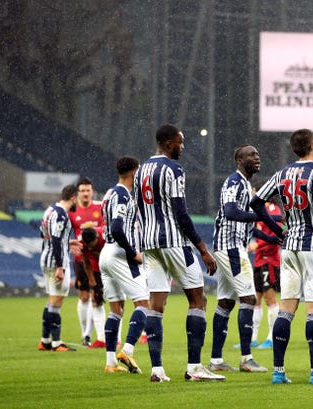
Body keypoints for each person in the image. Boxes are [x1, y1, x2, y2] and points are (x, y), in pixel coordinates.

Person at [250, 128, 313, 385]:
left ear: (293, 149)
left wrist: (278, 229)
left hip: (288, 247)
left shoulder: (282, 173)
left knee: (286, 309)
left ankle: (278, 371)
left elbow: (256, 202)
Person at [135, 123, 224, 382]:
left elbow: (140, 207)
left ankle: (157, 370)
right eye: (180, 142)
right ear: (168, 143)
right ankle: (195, 367)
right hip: (173, 241)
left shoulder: (141, 170)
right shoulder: (173, 169)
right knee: (198, 299)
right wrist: (203, 249)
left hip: (149, 242)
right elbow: (181, 213)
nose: (182, 146)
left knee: (156, 304)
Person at [210, 145, 277, 373]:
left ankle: (216, 360)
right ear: (239, 160)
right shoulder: (234, 182)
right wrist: (257, 216)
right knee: (248, 299)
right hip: (230, 248)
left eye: (258, 154)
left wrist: (274, 234)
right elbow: (230, 212)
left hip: (232, 246)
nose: (257, 157)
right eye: (251, 155)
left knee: (226, 302)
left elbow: (248, 224)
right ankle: (246, 359)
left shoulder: (246, 185)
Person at [99, 156, 150, 374]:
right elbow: (118, 228)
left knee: (116, 310)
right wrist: (133, 253)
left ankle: (111, 364)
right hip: (120, 254)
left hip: (106, 253)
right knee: (143, 304)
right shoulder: (121, 195)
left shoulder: (109, 193)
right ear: (133, 173)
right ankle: (127, 350)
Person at [38, 184, 79, 352]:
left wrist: (67, 242)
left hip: (45, 259)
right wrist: (60, 267)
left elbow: (44, 234)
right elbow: (55, 238)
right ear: (73, 198)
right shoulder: (61, 214)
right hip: (56, 262)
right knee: (56, 301)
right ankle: (57, 343)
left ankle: (45, 341)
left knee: (51, 300)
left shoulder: (49, 210)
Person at [69, 177, 107, 348]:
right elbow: (65, 233)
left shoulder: (100, 208)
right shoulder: (72, 211)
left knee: (96, 296)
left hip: (98, 260)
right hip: (80, 259)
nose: (85, 193)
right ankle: (85, 333)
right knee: (84, 296)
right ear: (78, 193)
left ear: (92, 191)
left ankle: (90, 336)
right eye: (82, 191)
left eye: (88, 190)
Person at [246, 187, 283, 350]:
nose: (253, 192)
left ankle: (272, 338)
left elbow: (278, 236)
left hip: (270, 260)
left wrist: (257, 244)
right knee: (256, 300)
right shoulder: (259, 209)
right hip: (259, 261)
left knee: (270, 299)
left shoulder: (273, 210)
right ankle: (253, 338)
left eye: (254, 190)